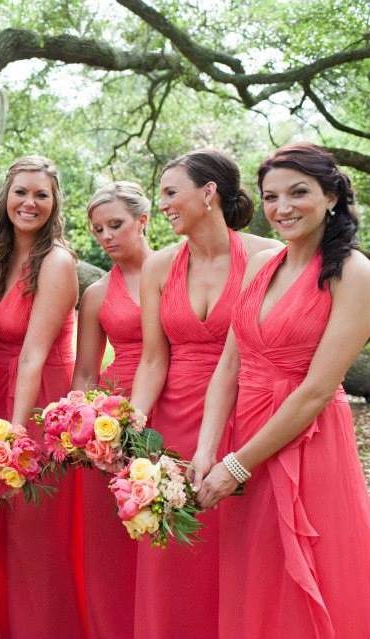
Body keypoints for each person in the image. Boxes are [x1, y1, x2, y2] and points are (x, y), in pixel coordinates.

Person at [192, 143, 370, 638]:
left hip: (307, 441)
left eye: (298, 193)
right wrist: (209, 449)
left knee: (308, 576)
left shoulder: (354, 274)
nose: (282, 208)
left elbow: (316, 391)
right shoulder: (259, 264)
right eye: (272, 197)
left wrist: (237, 465)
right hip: (244, 433)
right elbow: (228, 366)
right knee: (255, 570)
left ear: (331, 195)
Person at [130, 149, 281, 638]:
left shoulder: (266, 256)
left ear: (209, 192)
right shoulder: (157, 267)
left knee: (238, 550)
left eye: (172, 192)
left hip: (245, 418)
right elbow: (154, 358)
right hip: (172, 424)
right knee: (174, 555)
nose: (164, 204)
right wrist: (133, 426)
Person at [0, 155, 84, 638]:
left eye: (41, 194)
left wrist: (15, 435)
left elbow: (34, 354)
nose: (30, 202)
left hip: (39, 400)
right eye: (22, 192)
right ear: (6, 197)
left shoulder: (58, 262)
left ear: (54, 202)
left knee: (34, 528)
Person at [71, 182, 152, 639]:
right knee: (118, 538)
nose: (105, 236)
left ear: (143, 220)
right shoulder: (98, 294)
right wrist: (82, 431)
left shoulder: (182, 271)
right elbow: (84, 373)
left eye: (115, 225)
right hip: (115, 422)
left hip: (181, 404)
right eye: (98, 229)